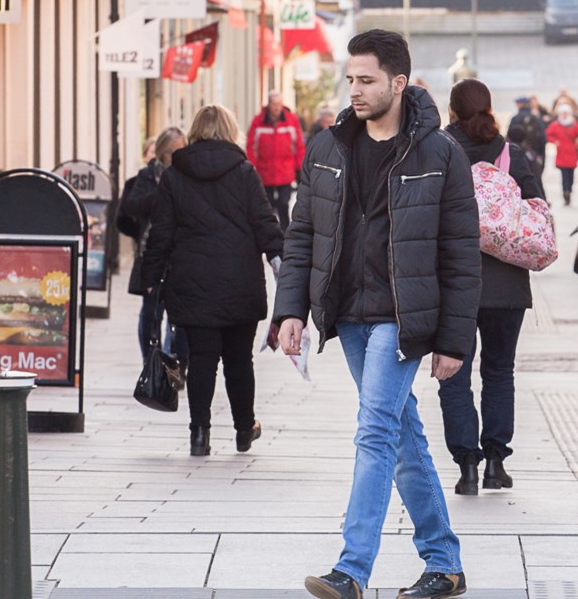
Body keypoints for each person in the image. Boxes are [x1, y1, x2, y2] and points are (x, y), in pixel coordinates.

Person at [275, 30, 478, 599]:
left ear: (399, 82)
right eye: (350, 80)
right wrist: (290, 308)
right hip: (348, 315)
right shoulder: (327, 148)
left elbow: (461, 254)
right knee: (401, 432)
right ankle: (445, 564)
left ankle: (352, 570)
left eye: (367, 81)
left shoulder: (439, 154)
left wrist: (454, 340)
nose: (355, 91)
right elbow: (302, 236)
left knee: (374, 432)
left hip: (402, 317)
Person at [143, 105, 285, 456]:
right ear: (231, 130)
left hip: (192, 281)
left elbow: (161, 233)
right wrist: (283, 262)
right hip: (240, 280)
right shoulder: (244, 172)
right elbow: (264, 223)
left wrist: (150, 278)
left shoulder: (174, 176)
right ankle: (243, 429)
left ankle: (199, 434)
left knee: (203, 358)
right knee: (239, 360)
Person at [438, 78, 541, 497]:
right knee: (500, 371)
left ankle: (467, 465)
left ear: (452, 111)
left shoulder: (439, 150)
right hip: (507, 286)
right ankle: (496, 460)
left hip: (453, 283)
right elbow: (536, 209)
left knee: (454, 374)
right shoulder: (511, 153)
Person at [120, 129, 190, 369]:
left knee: (179, 315)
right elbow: (131, 207)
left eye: (181, 150)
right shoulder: (147, 176)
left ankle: (175, 364)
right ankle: (150, 361)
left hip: (181, 254)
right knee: (151, 312)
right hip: (151, 253)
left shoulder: (188, 175)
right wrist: (161, 194)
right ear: (162, 153)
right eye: (172, 152)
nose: (177, 156)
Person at [248, 91, 306, 226]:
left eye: (278, 104)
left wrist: (299, 168)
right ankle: (270, 231)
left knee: (283, 204)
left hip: (285, 171)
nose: (276, 108)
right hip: (264, 172)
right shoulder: (258, 122)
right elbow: (251, 147)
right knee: (267, 206)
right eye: (274, 104)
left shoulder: (291, 121)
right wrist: (253, 168)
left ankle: (286, 233)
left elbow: (299, 146)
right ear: (269, 105)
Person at [546, 105, 578, 206]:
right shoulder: (556, 125)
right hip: (561, 153)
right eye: (563, 113)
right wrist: (554, 141)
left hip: (572, 153)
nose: (564, 115)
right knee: (564, 175)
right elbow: (548, 134)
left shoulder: (574, 124)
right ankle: (566, 192)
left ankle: (569, 190)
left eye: (566, 113)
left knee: (571, 176)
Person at [509, 97, 549, 177]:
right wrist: (541, 154)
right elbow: (542, 138)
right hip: (534, 154)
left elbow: (510, 137)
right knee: (535, 178)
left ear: (520, 105)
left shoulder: (515, 118)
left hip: (519, 153)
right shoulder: (536, 118)